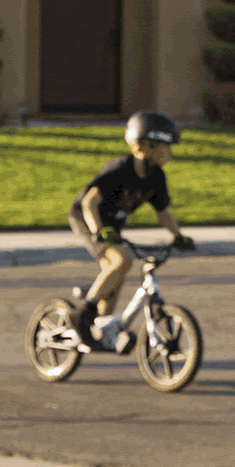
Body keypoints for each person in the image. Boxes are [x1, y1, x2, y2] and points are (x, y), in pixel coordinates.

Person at [67, 110, 194, 344]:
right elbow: (89, 202)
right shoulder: (119, 169)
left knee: (117, 274)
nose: (170, 152)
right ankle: (82, 314)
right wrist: (98, 231)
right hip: (87, 219)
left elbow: (163, 213)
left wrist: (179, 236)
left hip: (112, 225)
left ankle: (98, 329)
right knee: (122, 260)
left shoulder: (157, 178)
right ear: (144, 145)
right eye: (165, 146)